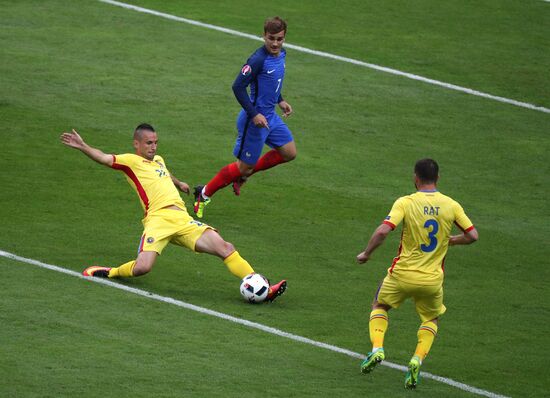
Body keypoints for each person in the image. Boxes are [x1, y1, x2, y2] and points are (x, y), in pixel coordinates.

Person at [60, 124, 287, 302]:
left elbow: (164, 173)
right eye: (149, 143)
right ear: (136, 144)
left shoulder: (158, 160)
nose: (154, 147)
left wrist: (179, 184)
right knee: (142, 268)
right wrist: (83, 146)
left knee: (225, 247)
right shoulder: (130, 161)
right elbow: (103, 157)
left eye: (156, 142)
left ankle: (261, 288)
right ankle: (110, 273)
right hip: (158, 221)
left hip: (182, 219)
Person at [356, 159, 478, 389]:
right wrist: (453, 241)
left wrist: (367, 253)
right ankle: (416, 359)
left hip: (401, 276)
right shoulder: (451, 205)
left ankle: (377, 349)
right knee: (431, 319)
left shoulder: (406, 202)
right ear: (438, 178)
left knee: (379, 305)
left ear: (415, 178)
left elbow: (383, 231)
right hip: (432, 280)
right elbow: (473, 235)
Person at [193, 16, 296, 218]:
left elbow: (272, 82)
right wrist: (254, 113)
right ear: (263, 36)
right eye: (271, 38)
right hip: (254, 121)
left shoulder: (281, 54)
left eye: (280, 39)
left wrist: (280, 100)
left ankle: (243, 175)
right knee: (242, 166)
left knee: (289, 153)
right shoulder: (257, 60)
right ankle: (203, 193)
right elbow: (238, 87)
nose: (275, 43)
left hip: (271, 118)